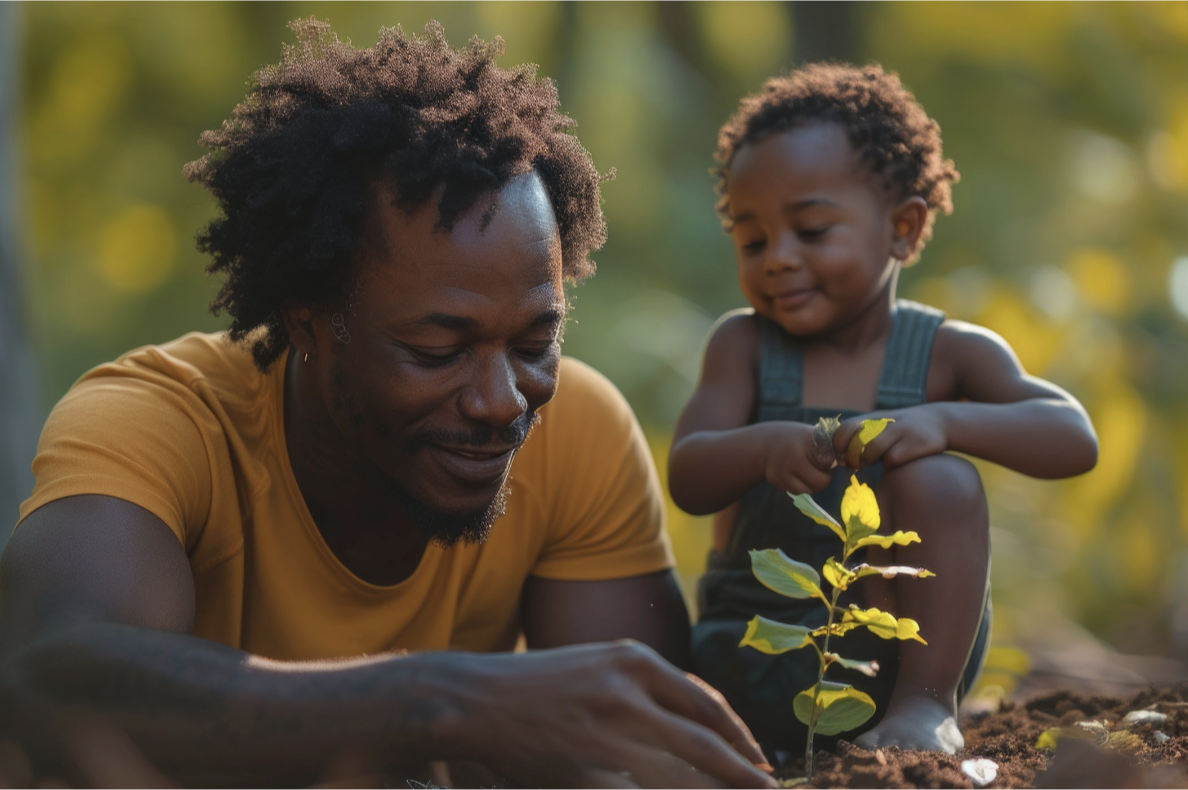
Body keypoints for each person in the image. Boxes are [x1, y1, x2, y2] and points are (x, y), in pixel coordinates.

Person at [0, 20, 775, 789]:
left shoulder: (580, 431)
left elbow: (644, 758)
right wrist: (435, 701)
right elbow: (52, 674)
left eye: (536, 342)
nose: (502, 401)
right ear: (307, 318)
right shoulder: (158, 422)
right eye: (438, 351)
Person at [669, 62, 1100, 757]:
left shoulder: (947, 355)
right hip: (757, 652)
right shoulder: (743, 344)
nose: (777, 258)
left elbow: (1073, 437)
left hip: (895, 666)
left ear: (902, 228)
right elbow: (687, 475)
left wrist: (944, 422)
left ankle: (926, 711)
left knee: (941, 477)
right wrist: (760, 447)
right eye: (753, 241)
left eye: (810, 231)